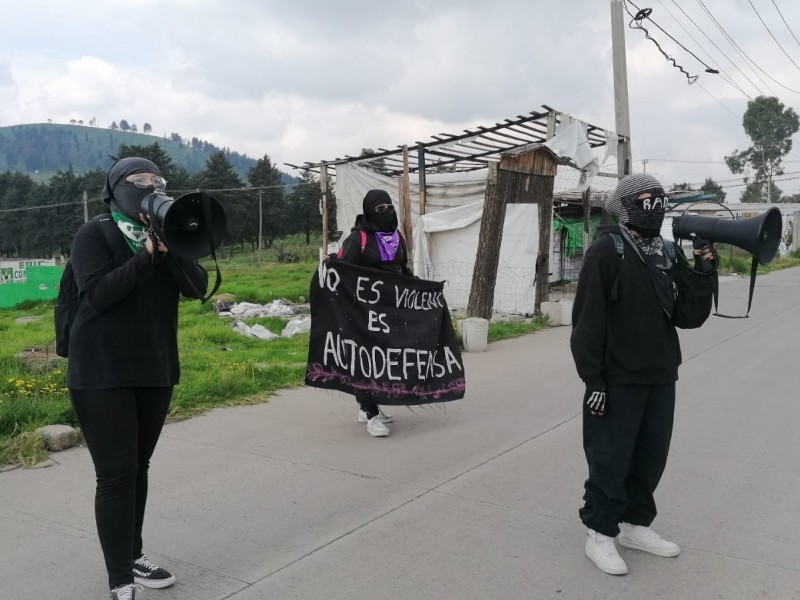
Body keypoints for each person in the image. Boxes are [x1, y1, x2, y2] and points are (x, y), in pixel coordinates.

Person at [67, 157, 209, 599]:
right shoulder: (96, 233)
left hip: (154, 368)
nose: (152, 185)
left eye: (158, 180)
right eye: (140, 180)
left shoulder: (167, 237)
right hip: (101, 373)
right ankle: (120, 579)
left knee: (138, 468)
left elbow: (198, 287)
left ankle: (133, 553)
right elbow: (98, 295)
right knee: (114, 475)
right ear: (117, 189)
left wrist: (171, 246)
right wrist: (145, 257)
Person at [570, 173, 716, 576]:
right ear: (625, 206)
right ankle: (600, 531)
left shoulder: (667, 253)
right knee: (610, 457)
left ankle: (635, 525)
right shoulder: (608, 250)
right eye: (645, 199)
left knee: (651, 456)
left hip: (660, 373)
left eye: (659, 199)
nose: (655, 206)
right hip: (616, 378)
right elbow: (586, 322)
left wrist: (703, 271)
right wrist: (593, 380)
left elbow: (688, 316)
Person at [337, 188, 414, 437]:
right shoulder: (358, 239)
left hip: (391, 310)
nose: (386, 212)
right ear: (369, 211)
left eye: (389, 207)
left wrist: (421, 289)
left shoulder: (396, 237)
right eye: (379, 209)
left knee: (386, 358)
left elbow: (402, 269)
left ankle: (368, 405)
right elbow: (343, 272)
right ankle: (370, 413)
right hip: (364, 311)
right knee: (368, 359)